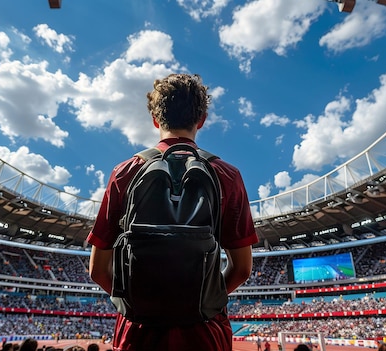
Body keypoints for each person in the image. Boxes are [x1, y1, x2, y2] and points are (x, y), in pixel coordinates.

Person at [87, 73, 258, 351]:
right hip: (204, 331)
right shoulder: (228, 175)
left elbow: (97, 270)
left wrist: (141, 303)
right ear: (201, 120)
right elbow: (241, 268)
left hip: (138, 332)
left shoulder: (124, 173)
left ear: (155, 120)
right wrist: (199, 301)